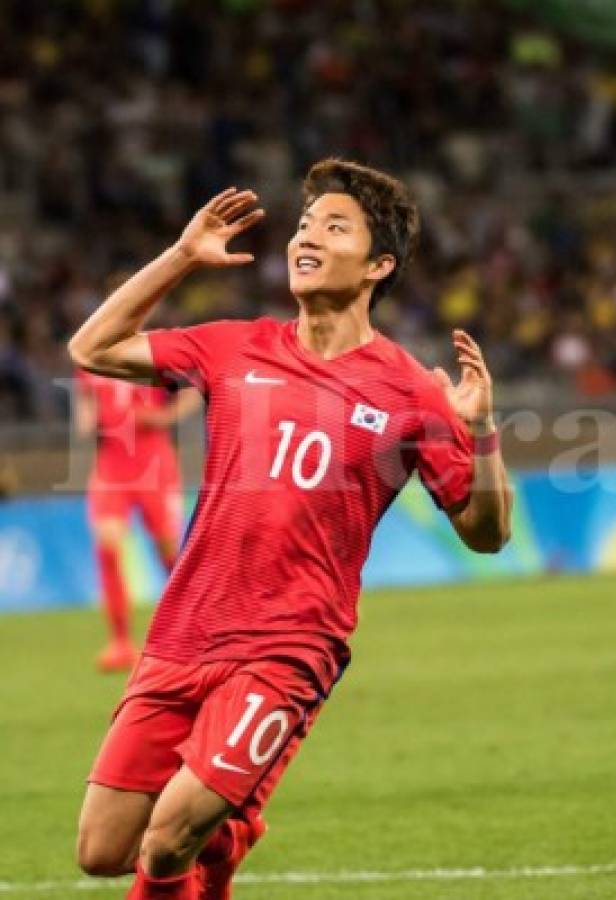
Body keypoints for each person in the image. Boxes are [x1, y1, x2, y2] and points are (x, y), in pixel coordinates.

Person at [69, 159, 513, 899]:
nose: (306, 237)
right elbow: (92, 349)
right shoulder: (233, 347)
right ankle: (232, 830)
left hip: (288, 645)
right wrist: (181, 255)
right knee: (102, 849)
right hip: (185, 631)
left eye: (334, 227)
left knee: (170, 835)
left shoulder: (408, 392)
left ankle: (210, 829)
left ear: (379, 265)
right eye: (305, 224)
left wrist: (483, 433)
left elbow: (486, 534)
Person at [75, 369, 199, 671]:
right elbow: (85, 406)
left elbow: (196, 389)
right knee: (107, 547)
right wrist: (87, 422)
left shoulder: (149, 355)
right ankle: (120, 642)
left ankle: (193, 632)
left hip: (154, 462)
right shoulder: (89, 363)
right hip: (112, 464)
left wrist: (165, 417)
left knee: (171, 553)